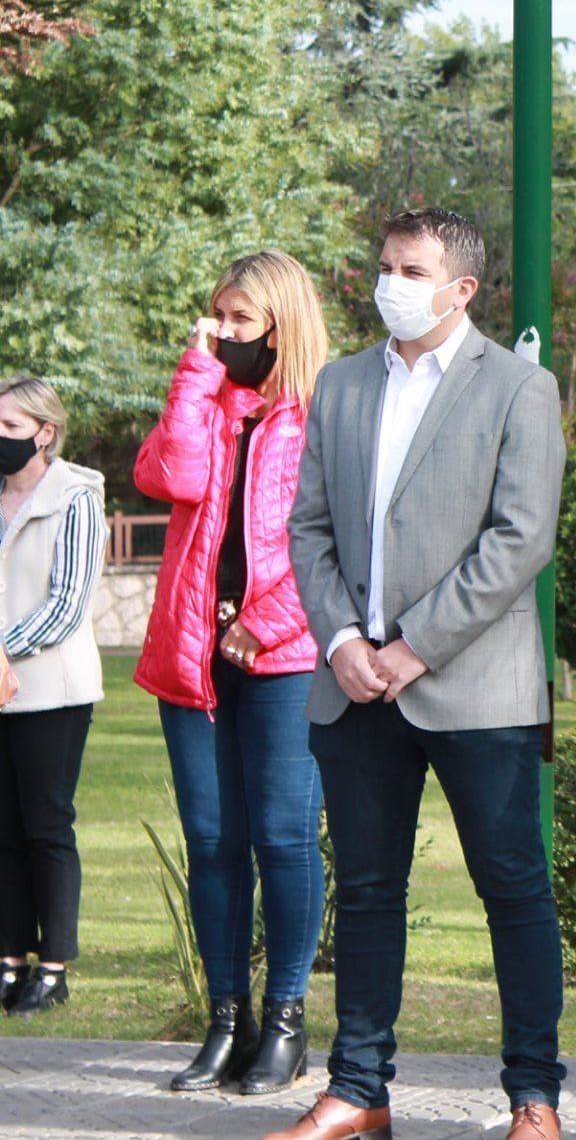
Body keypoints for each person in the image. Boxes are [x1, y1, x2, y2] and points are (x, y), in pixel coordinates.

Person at [279, 208, 568, 1140]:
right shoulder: (342, 383)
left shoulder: (519, 388)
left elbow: (520, 538)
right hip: (354, 685)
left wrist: (412, 645)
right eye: (386, 265)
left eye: (414, 269)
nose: (391, 282)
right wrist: (343, 644)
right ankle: (359, 1090)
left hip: (476, 688)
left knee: (513, 887)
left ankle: (535, 1096)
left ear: (464, 288)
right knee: (365, 892)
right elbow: (309, 527)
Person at [133, 250, 329, 1094]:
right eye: (216, 317)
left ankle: (285, 1021)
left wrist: (266, 620)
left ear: (282, 325)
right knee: (213, 843)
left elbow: (336, 540)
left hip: (283, 659)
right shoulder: (208, 401)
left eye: (238, 320)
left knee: (283, 838)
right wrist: (196, 369)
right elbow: (165, 475)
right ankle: (227, 1020)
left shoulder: (325, 412)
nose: (221, 332)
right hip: (193, 655)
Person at [0, 377, 106, 1020]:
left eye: (10, 427)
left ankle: (54, 967)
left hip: (51, 690)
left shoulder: (76, 496)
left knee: (45, 826)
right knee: (2, 829)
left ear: (45, 431)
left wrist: (2, 652)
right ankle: (9, 958)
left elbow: (68, 603)